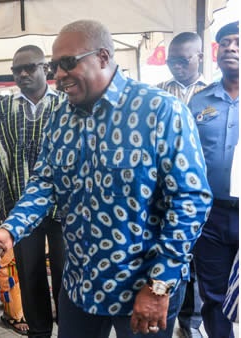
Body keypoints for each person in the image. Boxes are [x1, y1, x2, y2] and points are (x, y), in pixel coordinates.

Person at [0, 20, 212, 338]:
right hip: (80, 285)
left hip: (144, 288)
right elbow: (45, 182)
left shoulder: (160, 111)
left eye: (67, 63)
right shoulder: (61, 117)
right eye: (54, 66)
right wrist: (11, 229)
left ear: (103, 57)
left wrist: (159, 285)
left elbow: (190, 202)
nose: (59, 75)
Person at [0, 44, 65, 337]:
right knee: (29, 276)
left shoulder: (66, 104)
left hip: (63, 207)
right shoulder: (2, 111)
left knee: (67, 274)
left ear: (46, 69)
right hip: (17, 210)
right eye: (18, 69)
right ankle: (38, 332)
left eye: (31, 67)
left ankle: (68, 329)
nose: (24, 73)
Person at [189, 21, 239, 338]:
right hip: (212, 216)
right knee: (215, 295)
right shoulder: (199, 102)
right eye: (225, 43)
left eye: (239, 42)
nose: (232, 48)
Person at [156, 31, 207, 338]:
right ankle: (175, 313)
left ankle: (193, 322)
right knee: (174, 253)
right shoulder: (158, 93)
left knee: (200, 261)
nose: (176, 65)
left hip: (203, 191)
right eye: (171, 60)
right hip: (166, 194)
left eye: (183, 59)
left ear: (200, 56)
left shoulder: (214, 91)